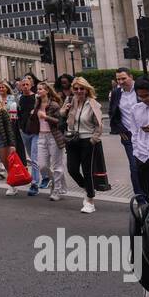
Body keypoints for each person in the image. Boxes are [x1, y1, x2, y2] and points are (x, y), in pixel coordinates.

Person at [61, 77, 104, 213]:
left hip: (87, 141)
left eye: (81, 88)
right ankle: (87, 188)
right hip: (72, 140)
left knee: (87, 171)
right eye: (76, 89)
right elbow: (61, 114)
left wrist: (93, 139)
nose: (79, 91)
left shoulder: (93, 104)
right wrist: (65, 109)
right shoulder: (70, 101)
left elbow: (99, 125)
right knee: (72, 169)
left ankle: (90, 201)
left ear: (87, 89)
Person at [109, 69, 145, 203]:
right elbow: (113, 112)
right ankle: (140, 199)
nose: (120, 82)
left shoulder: (141, 88)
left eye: (123, 78)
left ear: (131, 77)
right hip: (128, 136)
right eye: (118, 79)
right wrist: (120, 130)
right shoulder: (116, 93)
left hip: (146, 134)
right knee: (134, 166)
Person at [35, 81, 67, 201]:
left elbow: (60, 121)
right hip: (41, 136)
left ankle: (57, 190)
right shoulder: (37, 104)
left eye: (41, 89)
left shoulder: (54, 104)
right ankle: (59, 183)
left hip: (54, 136)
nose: (38, 91)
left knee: (57, 166)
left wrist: (46, 117)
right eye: (38, 89)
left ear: (47, 91)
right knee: (42, 166)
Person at [16, 76, 41, 197]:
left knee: (35, 158)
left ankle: (35, 184)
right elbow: (18, 113)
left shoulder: (36, 98)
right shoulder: (19, 98)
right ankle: (45, 176)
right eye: (23, 85)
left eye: (27, 84)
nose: (25, 87)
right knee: (31, 156)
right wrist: (20, 127)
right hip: (24, 131)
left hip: (35, 131)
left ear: (31, 85)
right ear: (20, 86)